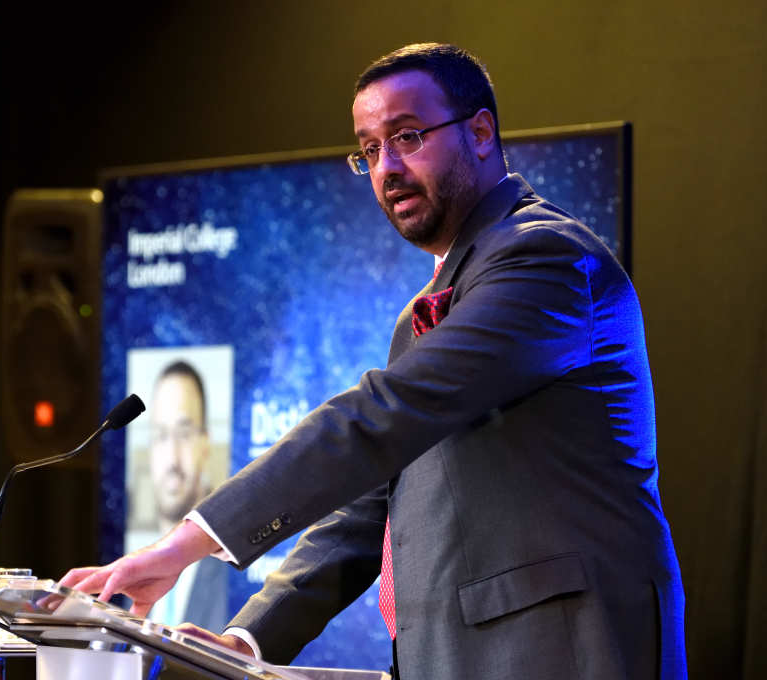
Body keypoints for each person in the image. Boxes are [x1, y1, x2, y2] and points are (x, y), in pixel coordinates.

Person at [61, 43, 686, 679]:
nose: (387, 168)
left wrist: (181, 545)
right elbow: (368, 506)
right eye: (369, 150)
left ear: (479, 132)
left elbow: (378, 417)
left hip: (563, 653)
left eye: (407, 137)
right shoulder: (429, 307)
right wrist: (247, 643)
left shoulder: (546, 259)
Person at [128, 360, 228, 631]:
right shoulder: (130, 582)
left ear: (205, 443)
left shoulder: (230, 580)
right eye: (161, 435)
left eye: (184, 434)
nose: (172, 457)